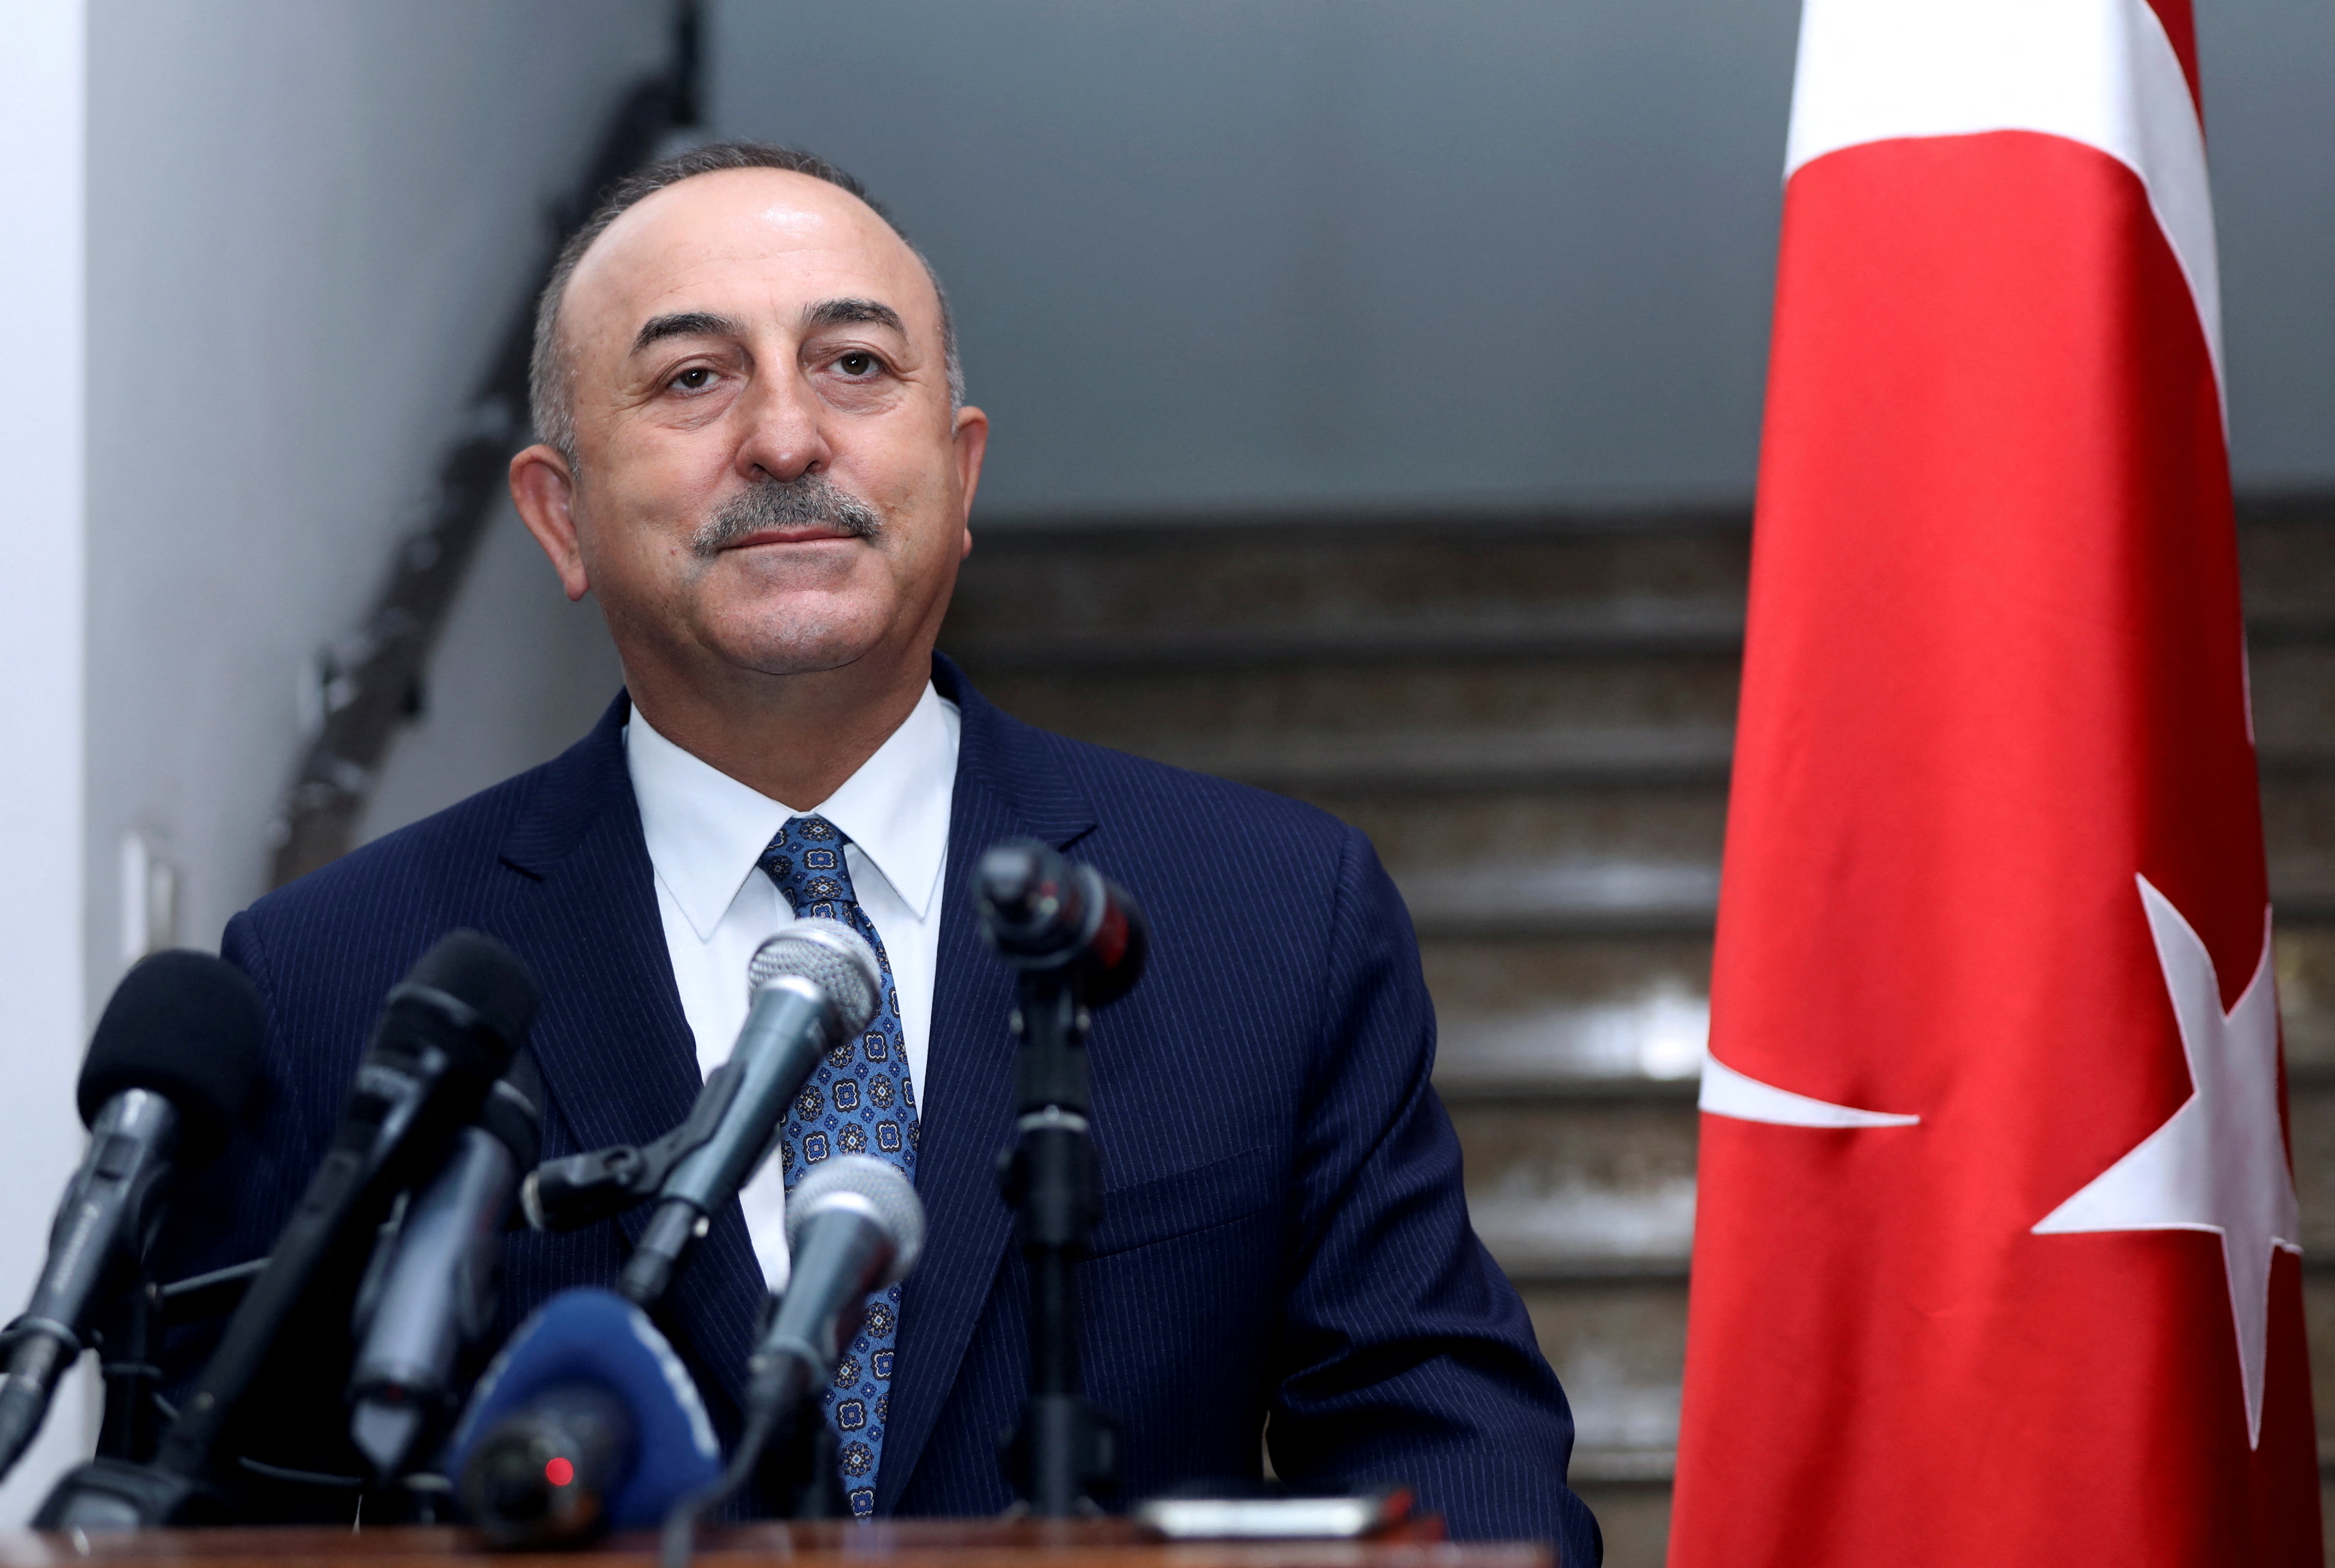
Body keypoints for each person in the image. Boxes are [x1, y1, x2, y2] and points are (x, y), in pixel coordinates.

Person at [156, 142, 1600, 1560]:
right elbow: (200, 1518)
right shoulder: (335, 978)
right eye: (692, 378)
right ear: (558, 512)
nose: (786, 438)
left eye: (854, 364)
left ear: (959, 477)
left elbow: (1451, 1451)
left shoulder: (1271, 917)